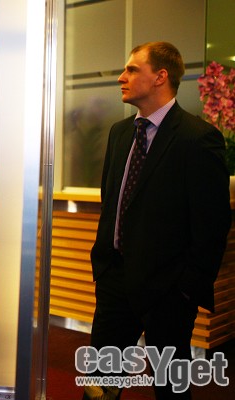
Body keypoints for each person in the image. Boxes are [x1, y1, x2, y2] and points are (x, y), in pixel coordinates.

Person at [87, 42, 231, 399]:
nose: (121, 77)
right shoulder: (120, 133)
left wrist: (186, 289)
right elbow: (112, 202)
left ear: (160, 77)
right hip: (115, 282)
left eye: (132, 69)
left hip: (168, 291)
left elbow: (212, 225)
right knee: (100, 385)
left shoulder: (198, 139)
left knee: (170, 389)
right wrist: (104, 266)